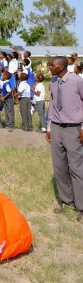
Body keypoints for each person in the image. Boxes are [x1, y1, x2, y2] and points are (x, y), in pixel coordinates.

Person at [47, 56, 83, 221]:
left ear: (61, 66)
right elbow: (52, 105)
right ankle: (66, 201)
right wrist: (49, 127)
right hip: (56, 128)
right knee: (59, 167)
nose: (50, 67)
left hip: (73, 128)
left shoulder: (77, 81)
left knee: (76, 168)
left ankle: (81, 207)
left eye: (52, 65)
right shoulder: (53, 82)